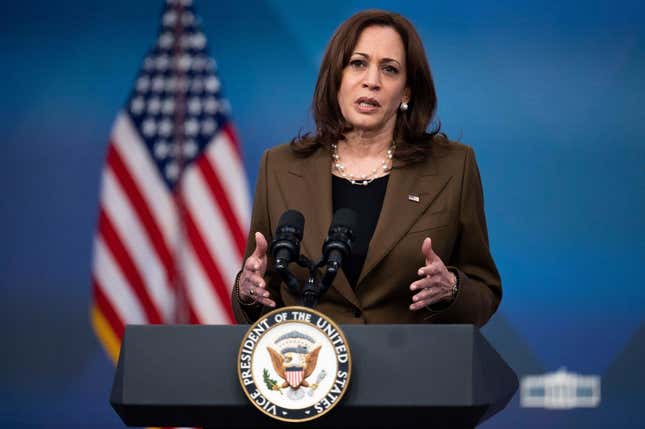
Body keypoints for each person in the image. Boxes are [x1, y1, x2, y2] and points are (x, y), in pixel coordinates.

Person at [231, 10, 501, 326]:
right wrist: (247, 292)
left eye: (389, 69)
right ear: (336, 77)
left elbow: (485, 292)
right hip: (310, 368)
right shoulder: (279, 167)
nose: (371, 81)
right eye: (358, 63)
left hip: (411, 368)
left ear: (407, 91)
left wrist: (452, 288)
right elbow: (259, 296)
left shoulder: (453, 167)